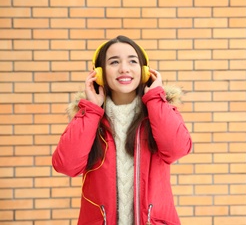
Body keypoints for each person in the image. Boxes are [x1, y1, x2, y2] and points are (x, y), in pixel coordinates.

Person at [52, 35, 192, 225]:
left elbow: (177, 149)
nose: (124, 68)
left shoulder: (158, 112)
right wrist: (92, 110)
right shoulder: (90, 118)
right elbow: (66, 165)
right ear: (99, 73)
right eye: (114, 62)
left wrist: (155, 98)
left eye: (132, 61)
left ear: (144, 71)